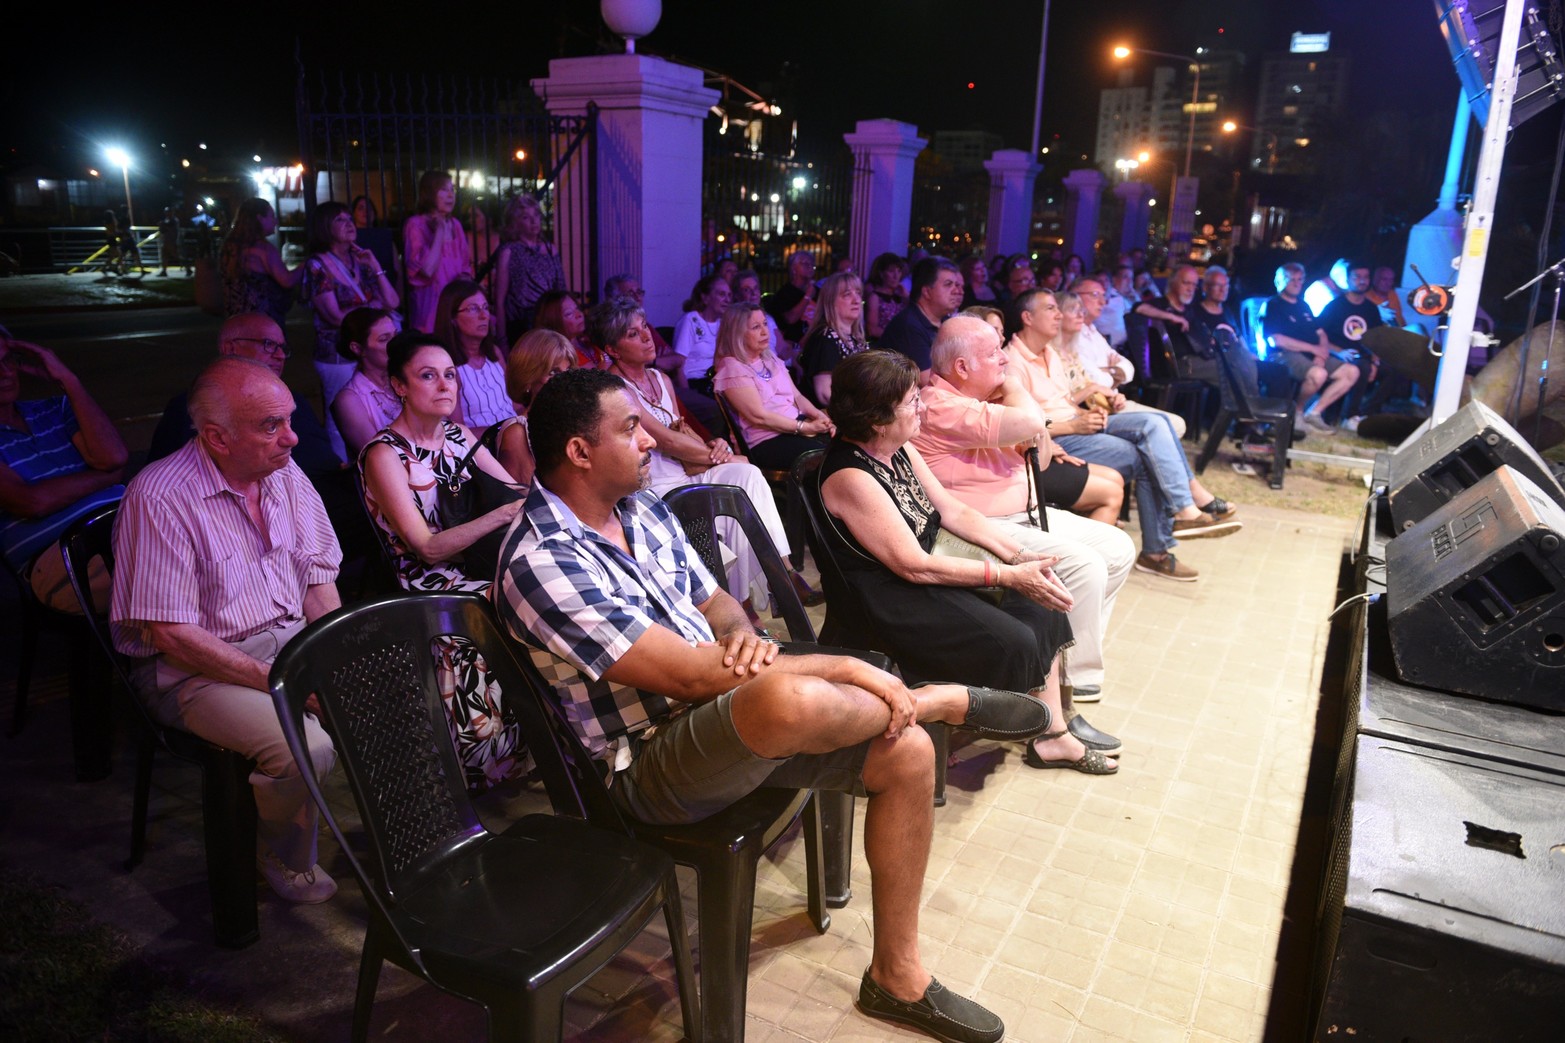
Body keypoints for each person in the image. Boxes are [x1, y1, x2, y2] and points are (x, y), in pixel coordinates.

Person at [500, 366, 1050, 1043]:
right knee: (789, 693)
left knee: (905, 751)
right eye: (631, 429)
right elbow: (686, 677)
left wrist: (739, 635)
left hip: (723, 709)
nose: (651, 440)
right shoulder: (542, 559)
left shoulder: (638, 510)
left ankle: (896, 977)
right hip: (641, 765)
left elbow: (716, 602)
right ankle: (930, 700)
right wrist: (839, 665)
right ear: (579, 451)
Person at [111, 357, 341, 903]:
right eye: (270, 425)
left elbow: (317, 578)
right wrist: (284, 683)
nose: (291, 437)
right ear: (217, 437)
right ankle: (282, 853)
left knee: (403, 692)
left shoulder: (285, 471)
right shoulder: (161, 495)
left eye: (289, 419)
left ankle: (415, 845)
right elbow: (172, 635)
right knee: (303, 748)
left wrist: (333, 656)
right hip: (195, 669)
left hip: (287, 640)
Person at [819, 349, 1110, 773]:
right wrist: (1008, 575)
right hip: (885, 596)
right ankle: (950, 719)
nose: (922, 406)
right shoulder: (850, 475)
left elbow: (953, 511)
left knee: (1043, 604)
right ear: (878, 419)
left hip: (923, 571)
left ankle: (1052, 734)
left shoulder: (897, 446)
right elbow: (912, 565)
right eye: (912, 401)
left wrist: (1020, 557)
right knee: (1014, 639)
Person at [914, 316, 1135, 715]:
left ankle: (1069, 665)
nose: (1004, 360)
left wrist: (1018, 406)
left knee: (1117, 548)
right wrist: (1016, 387)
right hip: (977, 529)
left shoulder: (987, 400)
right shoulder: (940, 405)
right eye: (993, 354)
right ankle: (1065, 690)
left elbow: (1042, 457)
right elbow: (1032, 423)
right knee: (1085, 565)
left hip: (1025, 513)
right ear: (962, 367)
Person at [359, 332, 528, 790]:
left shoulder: (458, 435)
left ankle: (546, 736)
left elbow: (514, 492)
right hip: (427, 579)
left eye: (450, 375)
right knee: (501, 599)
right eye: (427, 376)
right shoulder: (384, 454)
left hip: (475, 563)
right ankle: (487, 760)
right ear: (399, 386)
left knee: (540, 583)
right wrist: (501, 514)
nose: (444, 385)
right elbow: (426, 548)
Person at [594, 296, 821, 617]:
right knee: (738, 472)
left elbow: (680, 429)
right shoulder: (617, 388)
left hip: (688, 468)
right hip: (655, 482)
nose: (647, 336)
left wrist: (716, 445)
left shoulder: (661, 378)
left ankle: (781, 574)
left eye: (644, 326)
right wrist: (722, 457)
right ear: (613, 349)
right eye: (633, 334)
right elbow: (665, 441)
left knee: (747, 476)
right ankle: (749, 604)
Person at [1009, 289, 1238, 583]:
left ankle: (1175, 522)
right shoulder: (1014, 362)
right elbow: (1022, 426)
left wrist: (1088, 411)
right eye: (1051, 309)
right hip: (1058, 439)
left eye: (1057, 308)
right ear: (1028, 317)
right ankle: (1166, 536)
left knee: (1157, 423)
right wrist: (1075, 424)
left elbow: (1065, 401)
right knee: (1148, 449)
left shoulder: (1049, 353)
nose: (1059, 314)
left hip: (1079, 423)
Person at [0, 332, 127, 613]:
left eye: (8, 360)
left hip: (124, 527)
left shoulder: (55, 407)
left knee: (206, 547)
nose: (5, 373)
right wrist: (106, 477)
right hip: (62, 559)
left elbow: (113, 457)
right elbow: (32, 502)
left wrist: (69, 381)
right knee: (173, 568)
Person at [305, 200, 400, 458]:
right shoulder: (317, 265)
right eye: (340, 220)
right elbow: (335, 316)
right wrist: (372, 306)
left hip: (371, 349)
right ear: (325, 227)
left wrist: (375, 265)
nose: (349, 224)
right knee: (340, 413)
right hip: (337, 353)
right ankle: (343, 468)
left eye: (349, 218)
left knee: (375, 407)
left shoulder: (360, 260)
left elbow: (392, 302)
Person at [712, 302, 834, 471]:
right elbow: (759, 417)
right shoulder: (732, 368)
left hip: (794, 427)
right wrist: (804, 428)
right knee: (828, 458)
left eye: (765, 323)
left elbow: (797, 397)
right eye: (756, 327)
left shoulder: (770, 359)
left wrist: (821, 418)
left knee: (845, 446)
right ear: (737, 334)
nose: (765, 331)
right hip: (766, 441)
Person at [1057, 287, 1186, 437]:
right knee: (1166, 427)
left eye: (1081, 310)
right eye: (1073, 310)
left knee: (1174, 425)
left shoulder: (1075, 349)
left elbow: (1127, 369)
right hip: (1088, 414)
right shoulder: (1054, 353)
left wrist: (1111, 390)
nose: (1081, 315)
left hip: (1107, 405)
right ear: (1057, 316)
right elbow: (1092, 384)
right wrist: (1099, 386)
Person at [1263, 263, 1359, 432]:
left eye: (1300, 279)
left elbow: (1321, 333)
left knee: (1351, 372)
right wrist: (1313, 349)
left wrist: (1321, 353)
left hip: (1312, 354)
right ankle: (1297, 412)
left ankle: (1314, 413)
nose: (1296, 283)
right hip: (1284, 354)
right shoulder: (1273, 305)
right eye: (1291, 279)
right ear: (1279, 282)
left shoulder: (1303, 305)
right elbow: (1276, 340)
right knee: (1318, 374)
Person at [494, 329, 577, 489]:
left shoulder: (579, 420)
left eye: (569, 371)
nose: (565, 380)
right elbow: (521, 499)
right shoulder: (517, 432)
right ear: (528, 379)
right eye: (553, 372)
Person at [433, 279, 510, 435]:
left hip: (513, 436)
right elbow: (457, 431)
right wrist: (506, 432)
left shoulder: (495, 353)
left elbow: (515, 404)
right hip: (482, 445)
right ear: (452, 318)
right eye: (473, 309)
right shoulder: (447, 367)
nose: (484, 315)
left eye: (486, 308)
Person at [402, 170, 472, 332]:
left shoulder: (455, 225)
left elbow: (465, 267)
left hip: (456, 306)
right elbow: (426, 270)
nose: (451, 195)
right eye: (444, 190)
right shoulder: (415, 224)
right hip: (430, 308)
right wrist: (439, 232)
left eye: (452, 189)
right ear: (429, 193)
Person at [492, 194, 565, 347]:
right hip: (521, 325)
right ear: (515, 222)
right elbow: (500, 300)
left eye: (536, 215)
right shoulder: (509, 252)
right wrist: (502, 338)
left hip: (550, 323)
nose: (534, 221)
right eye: (526, 217)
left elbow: (561, 290)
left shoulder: (550, 249)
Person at [330, 307, 402, 458]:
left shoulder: (406, 379)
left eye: (395, 336)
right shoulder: (350, 400)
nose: (396, 344)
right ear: (358, 348)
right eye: (384, 339)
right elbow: (378, 458)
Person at [220, 198, 300, 325]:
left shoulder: (230, 247)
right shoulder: (263, 249)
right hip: (264, 319)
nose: (276, 221)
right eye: (272, 216)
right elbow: (287, 280)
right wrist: (307, 264)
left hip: (235, 319)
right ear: (259, 218)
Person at [878, 257, 964, 375]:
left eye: (956, 285)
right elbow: (927, 379)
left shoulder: (946, 322)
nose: (957, 291)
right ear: (927, 292)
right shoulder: (908, 326)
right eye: (948, 284)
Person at [798, 271, 870, 407]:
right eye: (847, 294)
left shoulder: (856, 338)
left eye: (858, 293)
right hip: (832, 416)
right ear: (830, 302)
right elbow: (825, 394)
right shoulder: (825, 338)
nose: (856, 300)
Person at [764, 251, 818, 353]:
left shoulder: (818, 292)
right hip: (793, 348)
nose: (810, 266)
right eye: (805, 263)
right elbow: (791, 318)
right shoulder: (785, 293)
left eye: (812, 264)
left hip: (816, 344)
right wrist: (807, 297)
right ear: (793, 269)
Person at [732, 269, 786, 360]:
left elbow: (782, 348)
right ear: (737, 295)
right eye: (747, 290)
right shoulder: (734, 321)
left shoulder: (768, 319)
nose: (753, 293)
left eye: (755, 288)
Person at [533, 290, 596, 368]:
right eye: (569, 313)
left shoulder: (586, 341)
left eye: (577, 308)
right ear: (553, 321)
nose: (579, 314)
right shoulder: (561, 354)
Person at [349, 195, 397, 279]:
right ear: (353, 214)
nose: (366, 211)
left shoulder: (384, 237)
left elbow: (396, 268)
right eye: (361, 208)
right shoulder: (349, 239)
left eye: (369, 208)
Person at [863, 252, 908, 342]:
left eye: (899, 271)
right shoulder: (874, 297)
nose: (896, 276)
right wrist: (897, 337)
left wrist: (907, 296)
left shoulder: (901, 296)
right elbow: (872, 330)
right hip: (882, 344)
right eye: (891, 271)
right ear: (881, 273)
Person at [157, 207, 185, 277]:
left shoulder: (174, 220)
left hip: (172, 241)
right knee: (164, 256)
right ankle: (164, 271)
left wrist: (162, 225)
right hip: (166, 240)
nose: (167, 213)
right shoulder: (166, 220)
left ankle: (187, 268)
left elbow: (169, 227)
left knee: (176, 255)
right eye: (166, 212)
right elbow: (163, 230)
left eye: (168, 212)